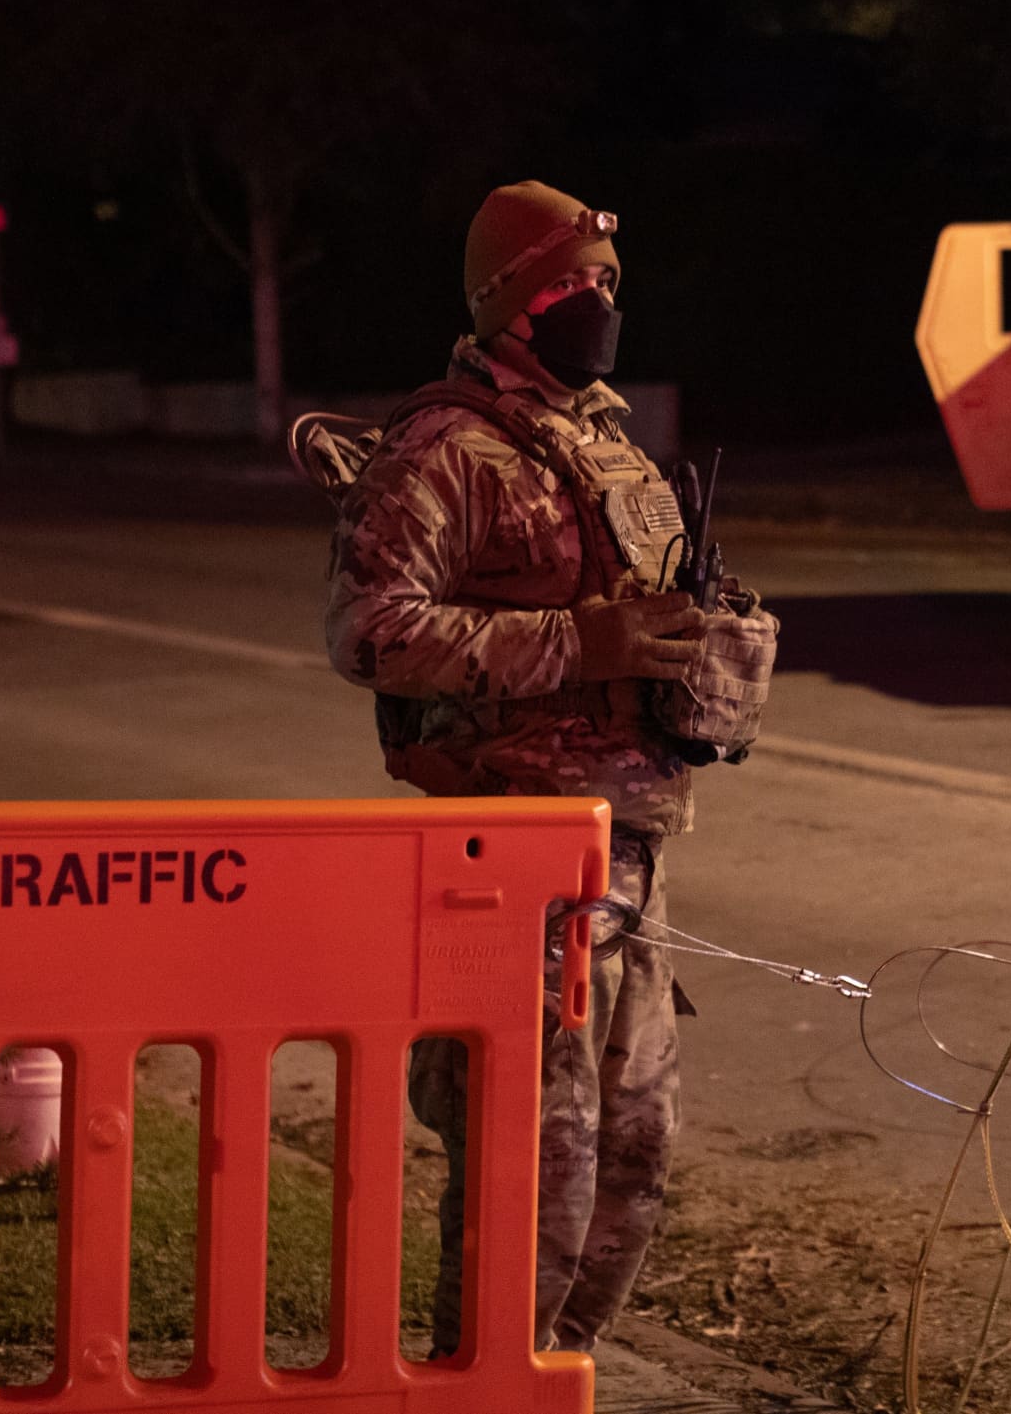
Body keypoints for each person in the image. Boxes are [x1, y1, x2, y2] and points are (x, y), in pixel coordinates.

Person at [323, 180, 774, 1357]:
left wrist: (704, 637)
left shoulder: (603, 438)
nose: (601, 302)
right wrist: (586, 641)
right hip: (512, 867)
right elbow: (369, 629)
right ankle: (477, 1385)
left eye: (611, 283)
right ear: (510, 299)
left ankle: (556, 1377)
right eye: (575, 283)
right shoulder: (445, 447)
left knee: (631, 1170)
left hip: (629, 855)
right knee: (532, 1179)